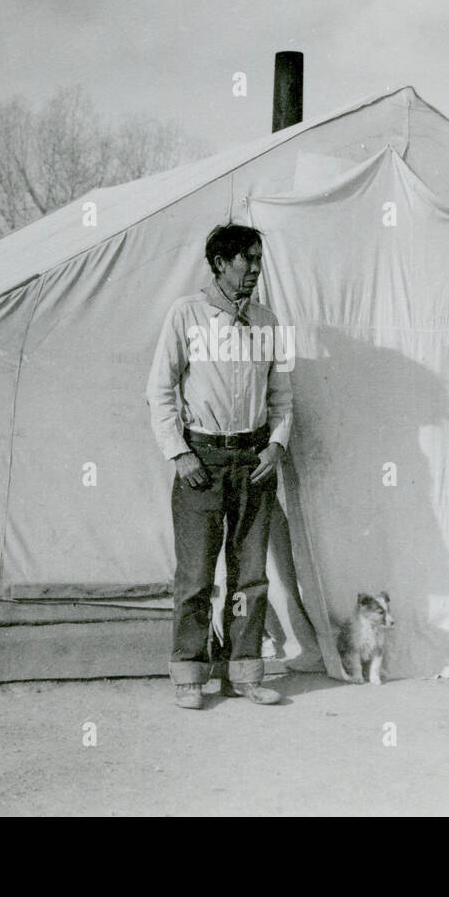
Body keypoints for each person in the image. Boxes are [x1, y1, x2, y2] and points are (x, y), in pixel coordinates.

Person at [147, 223, 293, 708]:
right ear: (219, 263)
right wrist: (179, 452)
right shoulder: (186, 315)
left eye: (257, 260)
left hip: (254, 460)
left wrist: (275, 446)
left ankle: (245, 671)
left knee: (250, 574)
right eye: (244, 260)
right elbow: (160, 390)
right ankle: (190, 675)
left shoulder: (269, 323)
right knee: (195, 574)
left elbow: (282, 397)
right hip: (201, 461)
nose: (253, 269)